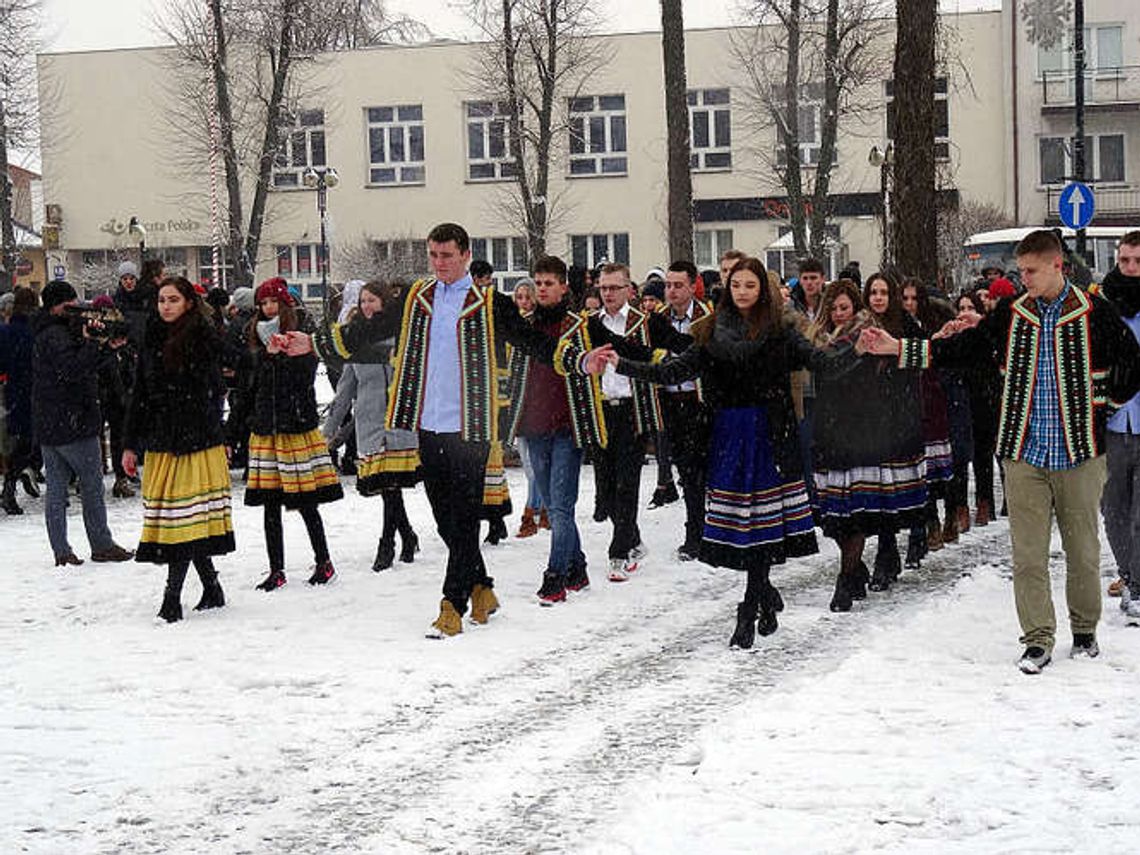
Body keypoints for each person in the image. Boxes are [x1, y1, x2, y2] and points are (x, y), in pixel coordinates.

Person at [288, 222, 606, 637]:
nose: (439, 264)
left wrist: (579, 361)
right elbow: (368, 329)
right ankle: (482, 587)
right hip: (428, 423)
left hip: (471, 427)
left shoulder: (489, 303)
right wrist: (312, 344)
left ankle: (452, 603)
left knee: (466, 515)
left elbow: (533, 342)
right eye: (434, 256)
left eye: (447, 257)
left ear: (465, 255)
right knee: (444, 518)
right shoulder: (418, 298)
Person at [862, 229, 1140, 673]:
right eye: (1021, 270)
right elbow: (962, 349)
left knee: (1083, 550)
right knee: (1027, 554)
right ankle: (1037, 638)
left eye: (1030, 270)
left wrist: (1105, 404)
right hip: (1023, 453)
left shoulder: (1094, 313)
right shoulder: (1013, 314)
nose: (1023, 278)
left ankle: (1085, 631)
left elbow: (1133, 364)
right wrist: (900, 349)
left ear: (1056, 266)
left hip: (1080, 453)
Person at [608, 257, 834, 647]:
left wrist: (865, 347)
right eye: (737, 285)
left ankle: (748, 606)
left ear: (762, 289)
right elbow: (673, 371)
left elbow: (822, 362)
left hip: (770, 435)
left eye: (750, 285)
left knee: (762, 527)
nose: (743, 291)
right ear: (727, 290)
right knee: (742, 527)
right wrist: (621, 364)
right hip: (728, 435)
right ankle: (763, 593)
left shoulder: (780, 332)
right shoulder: (711, 331)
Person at [809, 278, 927, 609]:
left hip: (863, 426)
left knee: (857, 511)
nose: (838, 314)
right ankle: (856, 567)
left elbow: (893, 371)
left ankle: (845, 580)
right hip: (829, 427)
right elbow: (820, 372)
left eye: (844, 307)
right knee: (834, 517)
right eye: (832, 309)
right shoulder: (818, 339)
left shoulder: (870, 334)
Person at [121, 277, 234, 622]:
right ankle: (212, 587)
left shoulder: (202, 335)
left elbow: (230, 370)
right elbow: (139, 393)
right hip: (162, 439)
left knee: (181, 521)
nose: (165, 306)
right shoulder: (151, 337)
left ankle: (172, 598)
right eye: (161, 300)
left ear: (187, 302)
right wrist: (129, 444)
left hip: (196, 440)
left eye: (172, 299)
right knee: (183, 519)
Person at [227, 277, 343, 591]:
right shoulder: (252, 338)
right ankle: (276, 569)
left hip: (294, 428)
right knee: (269, 504)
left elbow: (305, 381)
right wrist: (233, 431)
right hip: (265, 430)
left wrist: (285, 354)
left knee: (306, 502)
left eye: (272, 302)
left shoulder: (301, 335)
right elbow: (246, 388)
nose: (267, 309)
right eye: (263, 303)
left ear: (284, 304)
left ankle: (324, 561)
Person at [590, 262, 691, 582]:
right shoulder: (589, 324)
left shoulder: (647, 323)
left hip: (634, 409)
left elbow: (682, 347)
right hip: (600, 411)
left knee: (626, 482)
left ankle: (618, 553)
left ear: (629, 290)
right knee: (604, 489)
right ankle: (631, 538)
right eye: (603, 288)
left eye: (614, 288)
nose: (608, 294)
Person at [32, 280, 135, 567]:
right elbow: (74, 370)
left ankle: (61, 551)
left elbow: (80, 365)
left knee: (56, 491)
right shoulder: (57, 335)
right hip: (74, 422)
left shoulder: (45, 332)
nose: (76, 307)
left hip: (51, 424)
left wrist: (104, 348)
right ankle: (101, 545)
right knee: (91, 487)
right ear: (57, 305)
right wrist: (93, 343)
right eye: (70, 302)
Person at [321, 280, 420, 572]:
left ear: (385, 304)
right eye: (363, 301)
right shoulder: (356, 342)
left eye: (372, 300)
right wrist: (329, 431)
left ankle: (387, 543)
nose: (366, 306)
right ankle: (407, 535)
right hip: (370, 425)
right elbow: (344, 392)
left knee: (391, 485)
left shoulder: (400, 338)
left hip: (399, 423)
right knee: (388, 488)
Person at [660, 259, 715, 559]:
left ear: (692, 286)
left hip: (700, 401)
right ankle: (695, 528)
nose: (672, 291)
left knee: (702, 469)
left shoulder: (707, 318)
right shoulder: (657, 319)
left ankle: (704, 529)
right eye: (668, 285)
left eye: (678, 285)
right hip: (670, 401)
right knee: (685, 468)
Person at [1099, 230, 1140, 616]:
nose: (1130, 269)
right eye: (1124, 260)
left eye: (1138, 262)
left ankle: (1138, 587)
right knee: (1114, 508)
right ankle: (1128, 574)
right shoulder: (1103, 304)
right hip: (1113, 421)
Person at [509, 280, 550, 539]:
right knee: (528, 462)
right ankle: (543, 508)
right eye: (519, 297)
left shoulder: (536, 326)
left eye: (527, 297)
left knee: (535, 463)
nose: (523, 302)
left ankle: (532, 511)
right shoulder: (512, 326)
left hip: (536, 400)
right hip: (517, 400)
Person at [0, 287, 37, 515]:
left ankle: (11, 484)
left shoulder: (7, 331)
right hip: (29, 391)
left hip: (14, 392)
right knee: (29, 443)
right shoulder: (31, 331)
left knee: (19, 442)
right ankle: (12, 484)